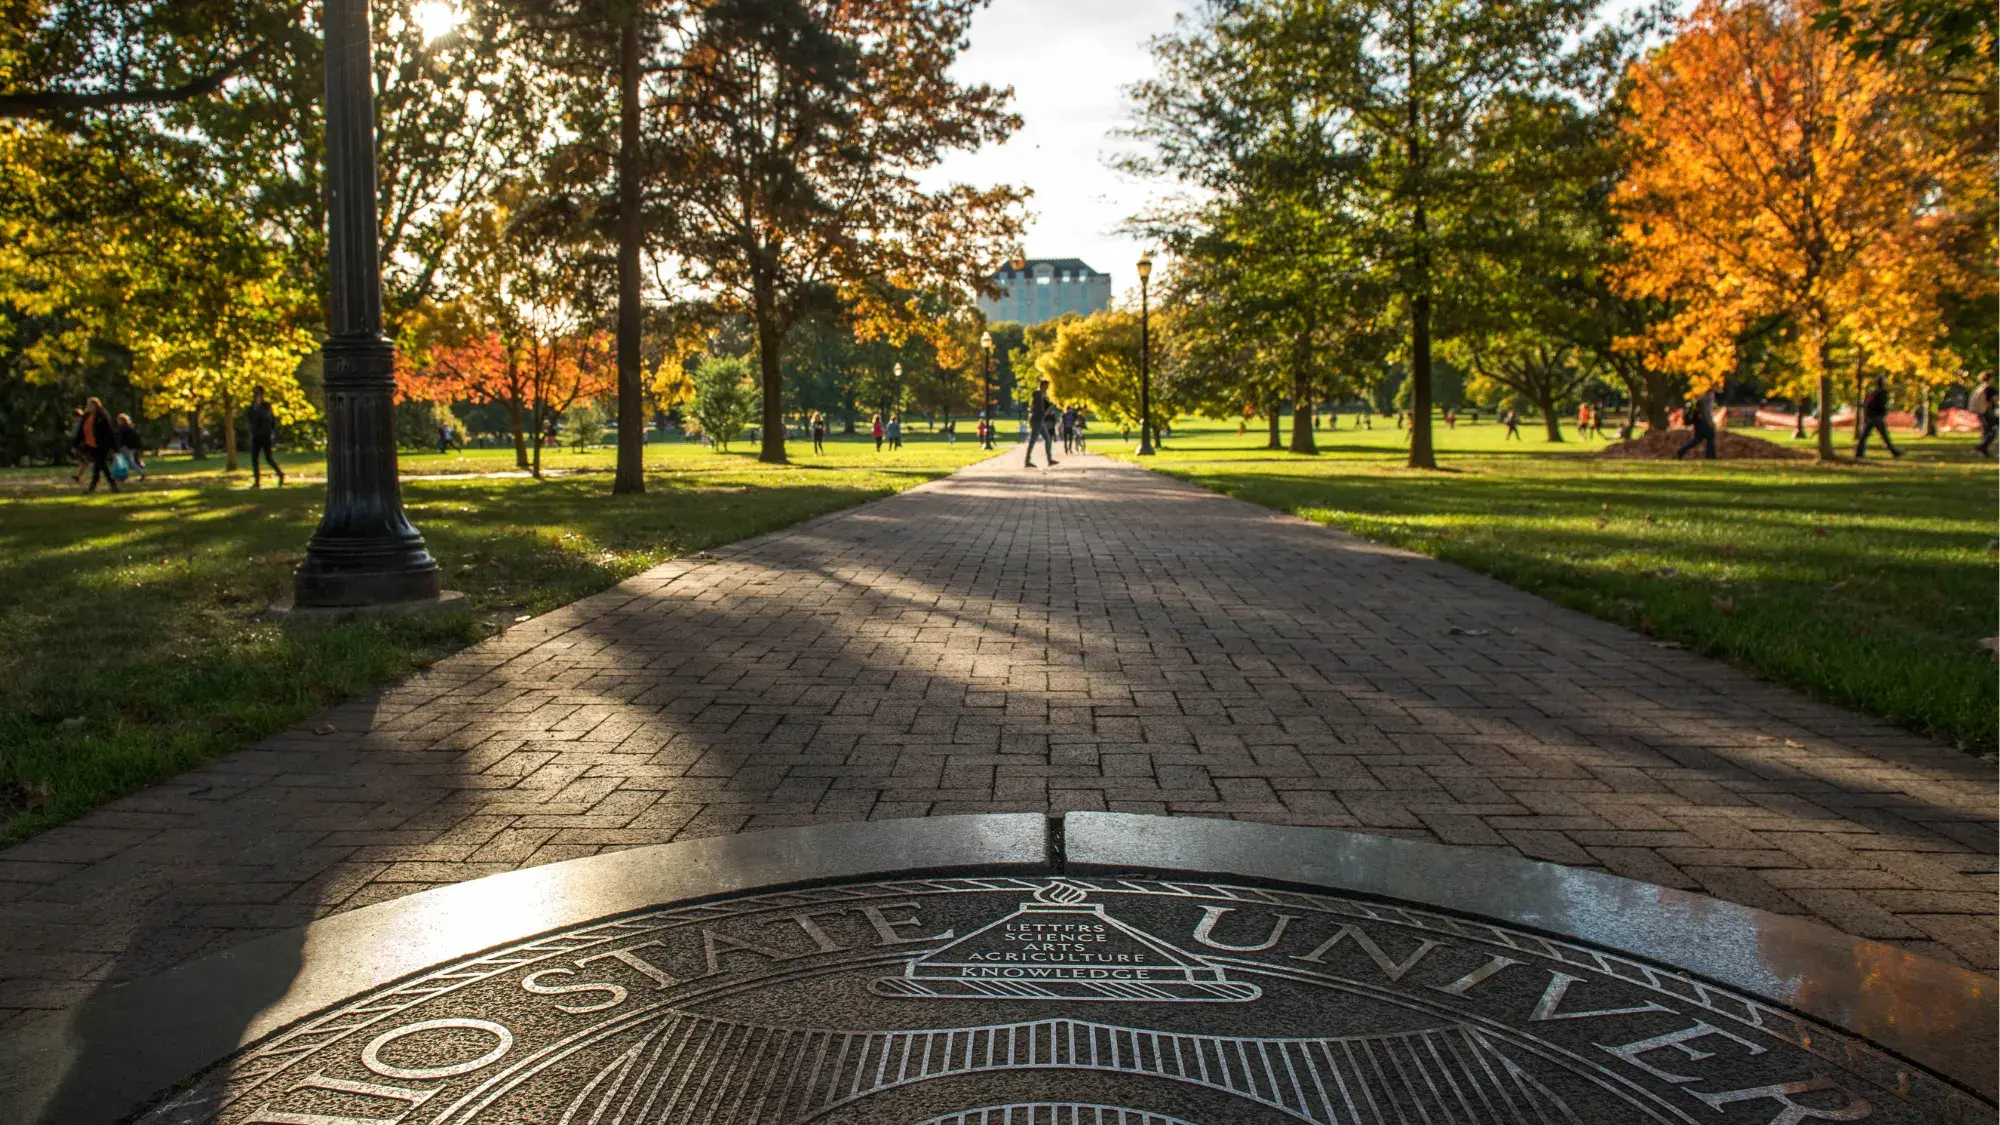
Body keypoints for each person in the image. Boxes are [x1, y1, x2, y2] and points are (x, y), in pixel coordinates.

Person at [77, 397, 120, 493]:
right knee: (100, 466)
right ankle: (110, 485)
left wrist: (114, 447)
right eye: (88, 405)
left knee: (100, 465)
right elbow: (81, 431)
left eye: (92, 405)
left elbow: (109, 432)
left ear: (97, 406)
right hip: (90, 445)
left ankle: (93, 488)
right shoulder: (86, 417)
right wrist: (76, 443)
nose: (89, 407)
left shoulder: (102, 416)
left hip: (101, 445)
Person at [1854, 376, 1903, 459]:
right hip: (1876, 417)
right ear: (1882, 383)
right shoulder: (1882, 392)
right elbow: (1881, 405)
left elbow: (1867, 403)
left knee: (1865, 436)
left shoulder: (1873, 392)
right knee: (1884, 436)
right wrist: (1883, 412)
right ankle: (1894, 452)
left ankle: (1859, 453)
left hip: (1871, 417)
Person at [247, 386, 286, 486]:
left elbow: (268, 418)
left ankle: (280, 474)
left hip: (265, 435)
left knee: (268, 458)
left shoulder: (266, 406)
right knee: (254, 458)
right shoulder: (251, 406)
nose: (256, 395)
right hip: (256, 435)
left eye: (258, 393)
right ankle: (257, 481)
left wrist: (259, 407)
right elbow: (249, 419)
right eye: (255, 393)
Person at [1675, 388, 1718, 460]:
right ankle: (1710, 456)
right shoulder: (1709, 395)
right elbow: (1706, 411)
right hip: (1704, 421)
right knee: (1710, 436)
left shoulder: (1701, 395)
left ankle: (1681, 451)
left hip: (1698, 422)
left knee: (1697, 440)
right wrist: (1710, 422)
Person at [1025, 378, 1056, 468]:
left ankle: (1049, 459)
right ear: (1042, 386)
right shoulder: (1038, 395)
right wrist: (1047, 411)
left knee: (1047, 438)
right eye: (1046, 386)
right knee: (1033, 440)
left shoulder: (1041, 395)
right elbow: (1038, 410)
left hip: (1040, 421)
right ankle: (1027, 460)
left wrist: (1047, 410)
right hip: (1037, 421)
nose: (1047, 388)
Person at [1970, 371, 1997, 458]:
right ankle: (1982, 446)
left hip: (1980, 412)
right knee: (1993, 431)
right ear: (1991, 378)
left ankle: (1984, 450)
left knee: (1986, 431)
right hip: (1988, 412)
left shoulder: (1980, 388)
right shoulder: (1989, 389)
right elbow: (1996, 400)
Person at [115, 412, 146, 480]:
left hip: (125, 447)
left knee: (129, 462)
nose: (118, 422)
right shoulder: (129, 428)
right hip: (130, 447)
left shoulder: (123, 429)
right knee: (127, 462)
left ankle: (141, 472)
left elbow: (120, 439)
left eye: (119, 420)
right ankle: (124, 475)